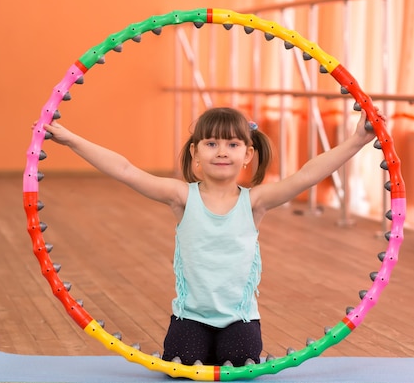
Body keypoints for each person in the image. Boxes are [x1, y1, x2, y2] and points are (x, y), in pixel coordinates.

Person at [42, 106, 385, 367]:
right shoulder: (181, 197)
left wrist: (358, 139)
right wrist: (70, 139)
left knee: (238, 365)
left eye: (233, 144)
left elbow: (308, 174)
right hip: (190, 317)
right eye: (211, 143)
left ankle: (230, 344)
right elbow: (125, 170)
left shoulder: (255, 203)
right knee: (180, 366)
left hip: (240, 320)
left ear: (247, 155)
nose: (222, 151)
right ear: (195, 154)